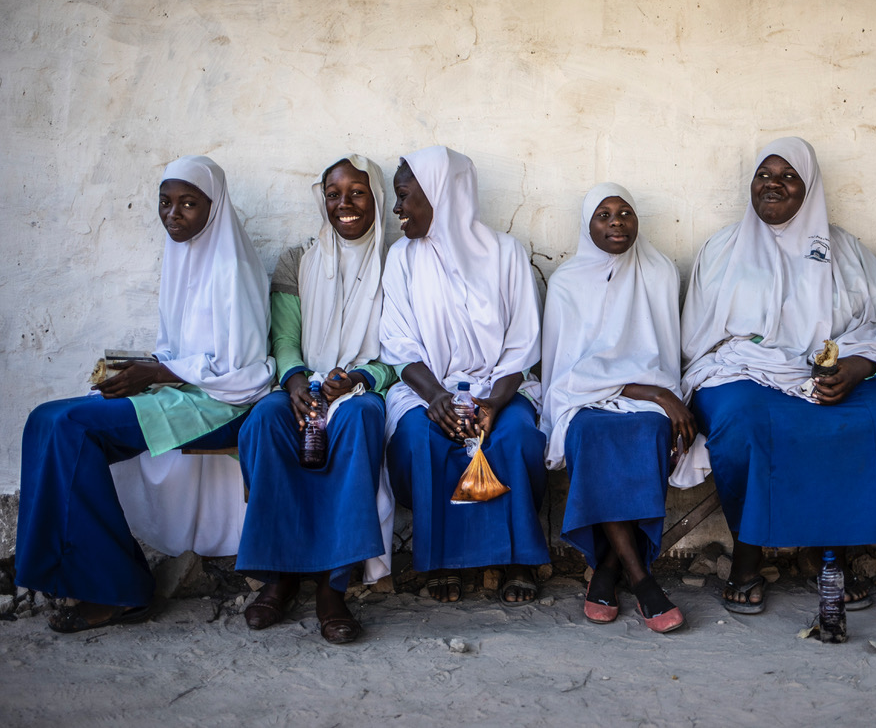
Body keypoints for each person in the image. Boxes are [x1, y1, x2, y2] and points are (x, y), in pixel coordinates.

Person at [16, 155, 275, 633]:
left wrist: (158, 371)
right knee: (46, 420)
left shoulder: (231, 266)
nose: (173, 214)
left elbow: (244, 373)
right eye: (166, 202)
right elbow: (179, 352)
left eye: (188, 203)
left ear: (213, 209)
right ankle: (62, 567)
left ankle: (118, 590)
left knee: (70, 426)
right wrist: (144, 372)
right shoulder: (182, 256)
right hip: (182, 395)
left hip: (223, 404)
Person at [681, 136, 876, 614]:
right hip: (741, 374)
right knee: (744, 426)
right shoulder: (723, 248)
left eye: (788, 176)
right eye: (764, 176)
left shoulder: (846, 251)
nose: (773, 185)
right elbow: (699, 340)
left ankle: (827, 549)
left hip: (831, 375)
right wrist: (758, 362)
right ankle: (747, 553)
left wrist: (857, 365)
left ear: (808, 187)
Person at [380, 146, 549, 605]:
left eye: (403, 196)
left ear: (440, 194)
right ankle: (442, 560)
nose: (396, 209)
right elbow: (399, 344)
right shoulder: (402, 259)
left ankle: (519, 558)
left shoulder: (506, 254)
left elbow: (522, 346)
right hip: (425, 389)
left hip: (501, 388)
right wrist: (436, 398)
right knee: (422, 440)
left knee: (515, 439)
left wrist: (494, 402)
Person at [235, 155, 393, 645]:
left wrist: (361, 377)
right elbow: (285, 339)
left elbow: (403, 349)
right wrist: (295, 380)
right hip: (307, 384)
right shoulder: (296, 260)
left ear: (378, 198)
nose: (344, 204)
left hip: (363, 386)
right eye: (333, 194)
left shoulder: (399, 260)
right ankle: (279, 577)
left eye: (357, 192)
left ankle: (332, 586)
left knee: (361, 420)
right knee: (265, 420)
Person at [541, 183, 694, 633]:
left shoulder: (660, 271)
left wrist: (661, 394)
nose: (615, 223)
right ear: (588, 226)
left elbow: (664, 355)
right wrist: (657, 394)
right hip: (582, 398)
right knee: (593, 434)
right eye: (603, 215)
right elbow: (567, 371)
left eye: (624, 213)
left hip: (648, 396)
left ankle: (607, 568)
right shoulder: (568, 281)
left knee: (649, 433)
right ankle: (643, 579)